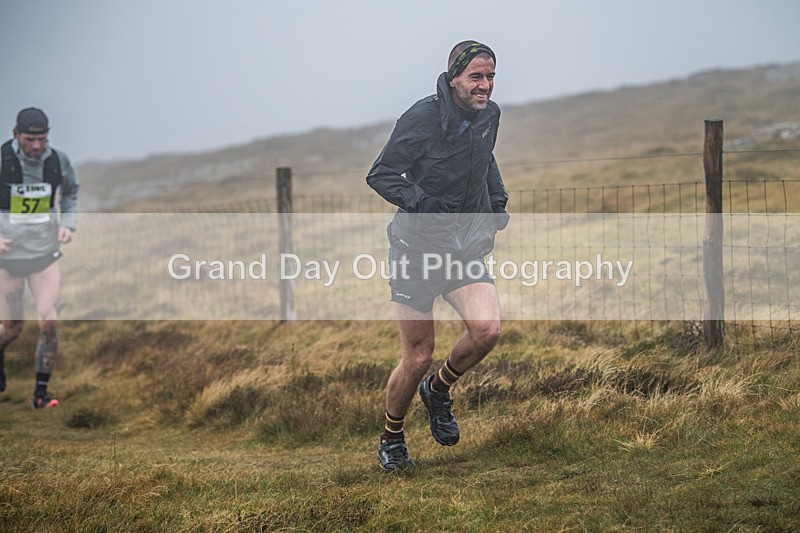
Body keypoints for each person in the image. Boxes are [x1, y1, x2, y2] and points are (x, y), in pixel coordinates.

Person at [366, 41, 509, 471]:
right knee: (418, 356)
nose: (484, 86)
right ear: (454, 80)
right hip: (415, 249)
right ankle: (391, 438)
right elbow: (382, 174)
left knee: (487, 330)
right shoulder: (422, 117)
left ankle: (438, 390)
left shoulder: (490, 115)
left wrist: (497, 203)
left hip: (463, 247)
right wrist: (424, 203)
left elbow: (484, 159)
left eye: (490, 78)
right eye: (476, 78)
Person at [0, 107, 79, 409]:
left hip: (44, 254)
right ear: (16, 134)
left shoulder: (58, 160)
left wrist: (67, 225)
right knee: (13, 327)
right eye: (30, 139)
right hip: (8, 258)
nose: (36, 146)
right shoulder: (3, 160)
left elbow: (71, 193)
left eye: (42, 139)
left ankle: (40, 394)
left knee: (48, 320)